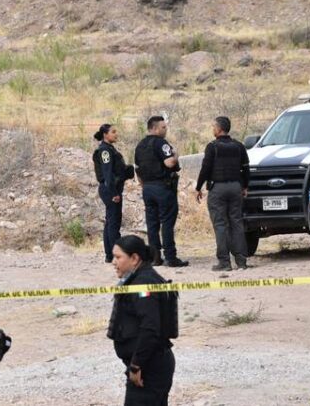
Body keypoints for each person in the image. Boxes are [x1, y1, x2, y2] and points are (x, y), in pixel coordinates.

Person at [107, 235, 178, 405]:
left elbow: (150, 328)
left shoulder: (143, 283)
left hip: (149, 366)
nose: (113, 262)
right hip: (149, 364)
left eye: (118, 257)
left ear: (134, 258)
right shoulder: (139, 278)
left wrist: (136, 365)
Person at [195, 116, 250, 271]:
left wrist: (198, 187)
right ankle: (241, 261)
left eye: (213, 126)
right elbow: (246, 168)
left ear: (219, 129)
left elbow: (205, 168)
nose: (212, 129)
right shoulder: (239, 146)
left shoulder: (212, 147)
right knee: (237, 223)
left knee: (220, 225)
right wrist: (245, 186)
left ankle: (224, 262)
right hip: (235, 187)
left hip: (217, 189)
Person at [134, 116, 188, 267]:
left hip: (148, 189)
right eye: (163, 127)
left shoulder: (140, 145)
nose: (165, 130)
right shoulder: (161, 143)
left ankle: (155, 257)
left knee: (152, 224)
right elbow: (170, 163)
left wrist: (144, 186)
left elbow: (137, 169)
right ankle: (171, 257)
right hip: (163, 188)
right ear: (155, 128)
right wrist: (176, 154)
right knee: (167, 223)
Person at [93, 124, 135, 263]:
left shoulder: (109, 149)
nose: (116, 134)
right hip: (110, 189)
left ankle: (110, 255)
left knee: (110, 221)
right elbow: (107, 174)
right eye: (113, 132)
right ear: (105, 134)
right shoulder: (105, 151)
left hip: (110, 188)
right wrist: (114, 193)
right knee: (114, 223)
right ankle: (117, 255)